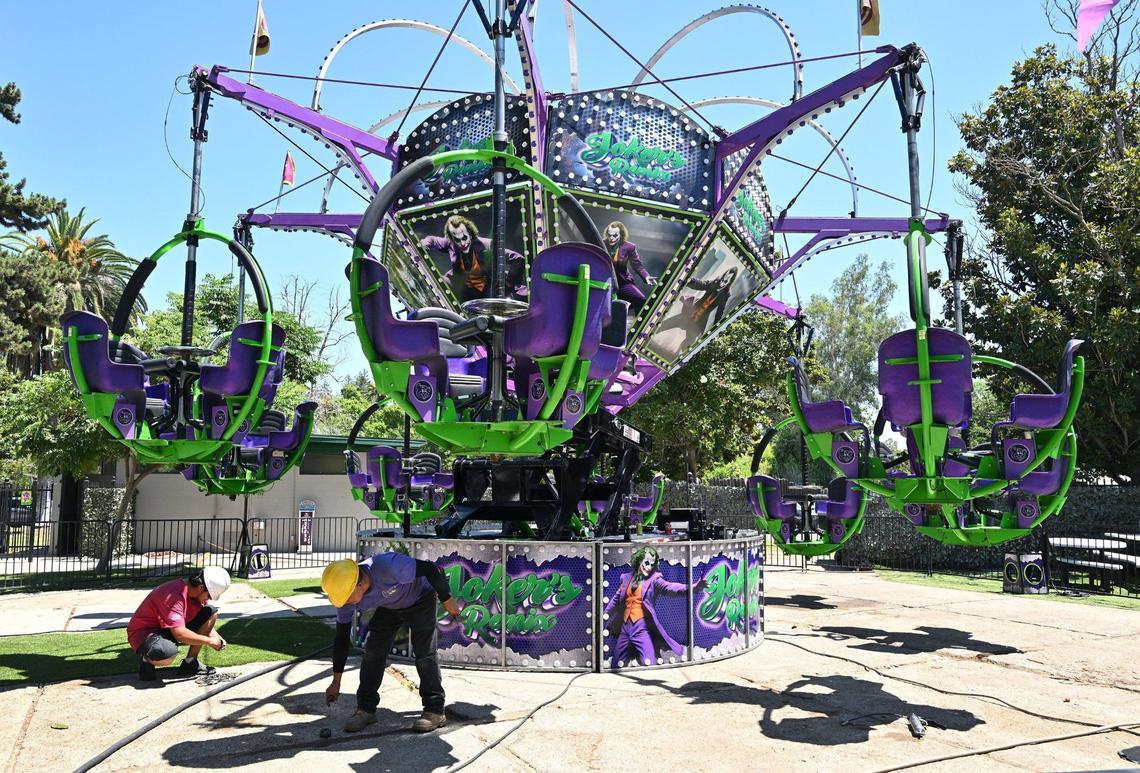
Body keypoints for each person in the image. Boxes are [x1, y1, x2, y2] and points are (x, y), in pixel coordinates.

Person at [322, 554, 461, 734]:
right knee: (373, 652)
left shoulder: (389, 566)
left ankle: (434, 711)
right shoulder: (346, 597)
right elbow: (341, 639)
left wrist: (447, 599)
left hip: (420, 598)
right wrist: (336, 682)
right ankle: (366, 709)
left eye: (347, 598)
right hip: (389, 606)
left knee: (425, 652)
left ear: (360, 585)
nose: (345, 603)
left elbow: (432, 569)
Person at [604, 546, 704, 668]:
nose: (648, 567)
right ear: (639, 561)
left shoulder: (654, 579)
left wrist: (694, 587)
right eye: (646, 563)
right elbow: (616, 600)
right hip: (625, 627)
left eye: (652, 564)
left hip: (641, 627)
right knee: (617, 663)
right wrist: (604, 615)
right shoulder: (626, 578)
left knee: (649, 661)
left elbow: (670, 587)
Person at [126, 566, 230, 683]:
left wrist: (216, 638)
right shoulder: (173, 596)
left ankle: (190, 663)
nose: (208, 599)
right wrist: (209, 641)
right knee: (167, 654)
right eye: (209, 595)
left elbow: (204, 623)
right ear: (201, 587)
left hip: (166, 628)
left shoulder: (195, 595)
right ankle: (146, 658)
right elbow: (180, 634)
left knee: (210, 612)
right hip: (144, 633)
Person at [420, 215, 527, 304]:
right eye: (456, 239)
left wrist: (510, 282)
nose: (461, 243)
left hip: (486, 293)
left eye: (464, 238)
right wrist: (423, 246)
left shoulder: (487, 246)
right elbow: (432, 240)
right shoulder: (450, 242)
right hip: (461, 288)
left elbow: (518, 259)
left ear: (470, 234)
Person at [653, 265, 740, 352]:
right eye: (724, 278)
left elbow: (720, 312)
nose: (723, 281)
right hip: (690, 313)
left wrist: (716, 328)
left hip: (698, 323)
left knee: (688, 346)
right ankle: (648, 336)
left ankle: (678, 356)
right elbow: (701, 285)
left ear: (729, 282)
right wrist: (690, 280)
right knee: (664, 325)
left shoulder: (725, 294)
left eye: (726, 280)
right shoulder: (714, 283)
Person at [603, 221, 656, 312]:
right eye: (609, 235)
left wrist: (646, 276)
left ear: (621, 235)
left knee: (641, 300)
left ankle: (639, 325)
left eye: (615, 235)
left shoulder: (629, 247)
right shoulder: (601, 243)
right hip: (604, 282)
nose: (611, 238)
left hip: (623, 283)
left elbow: (637, 265)